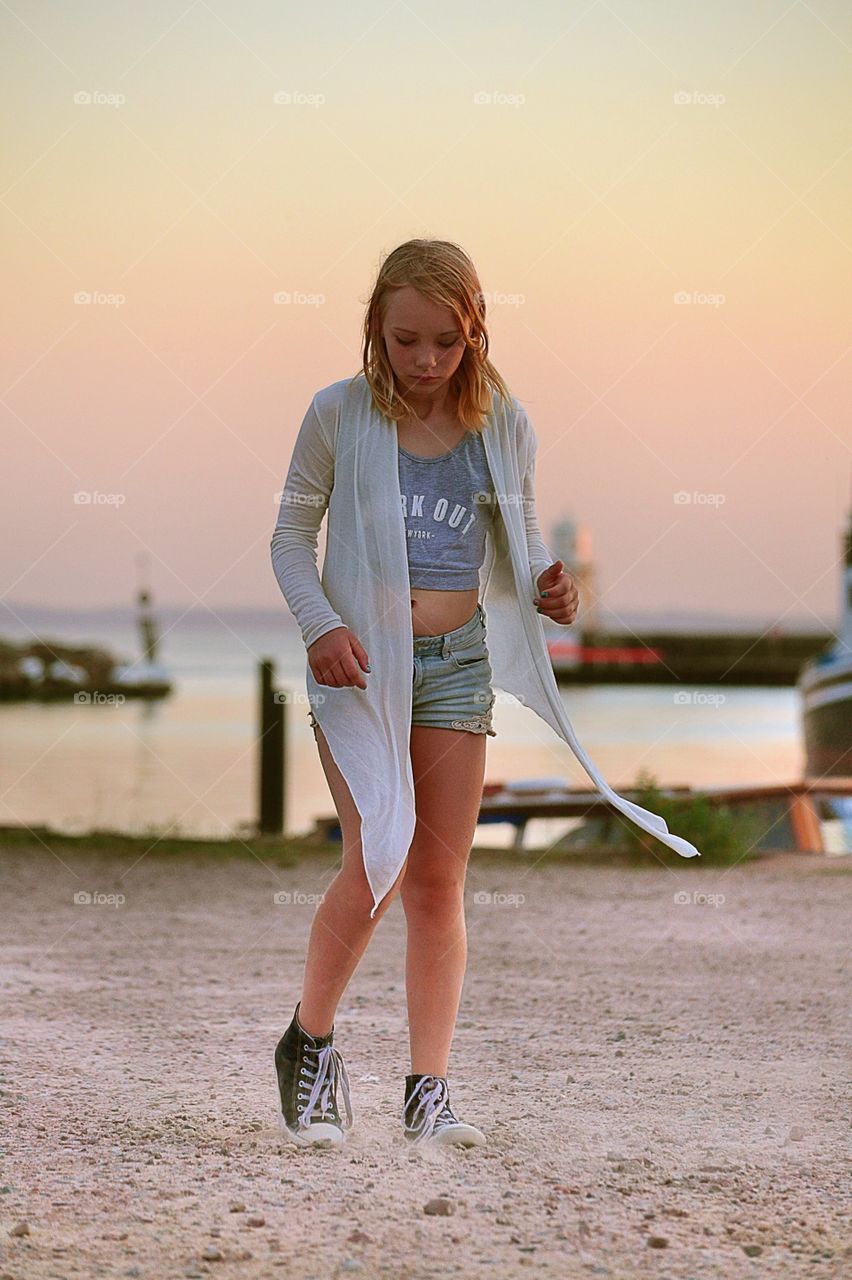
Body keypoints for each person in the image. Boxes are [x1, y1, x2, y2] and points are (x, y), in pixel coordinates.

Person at [270, 238, 700, 1150]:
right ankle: (309, 1047)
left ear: (476, 334)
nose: (425, 363)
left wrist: (553, 583)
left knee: (437, 881)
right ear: (374, 334)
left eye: (446, 343)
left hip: (459, 663)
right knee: (376, 862)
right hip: (362, 667)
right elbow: (287, 539)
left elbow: (524, 540)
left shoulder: (503, 423)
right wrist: (321, 627)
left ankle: (430, 1089)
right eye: (405, 341)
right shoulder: (337, 415)